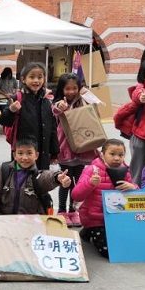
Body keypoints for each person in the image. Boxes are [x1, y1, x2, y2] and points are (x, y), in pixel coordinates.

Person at [71, 139, 138, 258]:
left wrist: (133, 187)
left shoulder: (126, 171)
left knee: (132, 244)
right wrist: (90, 183)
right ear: (102, 154)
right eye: (112, 154)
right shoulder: (91, 170)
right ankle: (89, 229)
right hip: (95, 218)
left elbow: (136, 196)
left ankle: (87, 232)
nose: (117, 158)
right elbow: (76, 195)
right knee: (108, 251)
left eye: (121, 155)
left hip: (117, 217)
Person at [51, 73, 99, 227]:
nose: (71, 91)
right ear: (61, 89)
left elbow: (95, 111)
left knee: (78, 182)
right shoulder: (59, 102)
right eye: (67, 88)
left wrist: (88, 96)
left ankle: (73, 210)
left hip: (83, 147)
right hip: (66, 147)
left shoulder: (83, 100)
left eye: (74, 88)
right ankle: (63, 211)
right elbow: (55, 110)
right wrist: (60, 106)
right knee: (65, 180)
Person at [0, 137, 71, 216]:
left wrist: (57, 178)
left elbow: (47, 177)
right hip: (6, 222)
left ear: (36, 155)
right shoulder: (4, 170)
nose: (24, 157)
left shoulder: (37, 175)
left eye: (29, 153)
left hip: (31, 224)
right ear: (14, 155)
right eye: (20, 153)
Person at [0, 62, 59, 170]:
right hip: (23, 155)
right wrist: (11, 110)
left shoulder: (46, 101)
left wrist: (54, 153)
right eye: (32, 77)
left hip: (42, 155)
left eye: (40, 77)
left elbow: (52, 128)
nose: (36, 80)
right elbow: (3, 121)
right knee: (22, 184)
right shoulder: (17, 98)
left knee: (41, 183)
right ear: (23, 79)